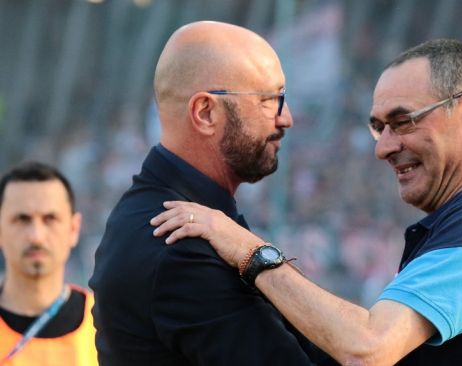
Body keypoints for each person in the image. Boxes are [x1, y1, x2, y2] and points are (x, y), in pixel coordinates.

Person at [151, 39, 462, 365]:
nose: (384, 147)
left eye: (402, 121)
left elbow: (368, 350)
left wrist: (248, 250)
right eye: (378, 127)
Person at [88, 21, 334, 365]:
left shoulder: (189, 218)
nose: (286, 118)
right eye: (269, 100)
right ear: (205, 113)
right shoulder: (178, 244)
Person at [0, 161, 97, 365]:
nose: (36, 236)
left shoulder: (108, 326)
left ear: (73, 228)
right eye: (22, 219)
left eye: (50, 219)